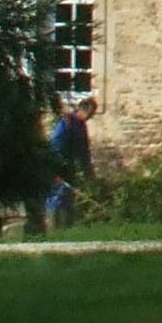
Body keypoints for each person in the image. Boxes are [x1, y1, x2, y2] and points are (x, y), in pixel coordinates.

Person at [46, 96, 98, 226]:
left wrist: (89, 173)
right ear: (85, 110)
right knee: (57, 196)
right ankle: (55, 228)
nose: (91, 116)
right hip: (59, 165)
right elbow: (55, 146)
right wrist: (54, 169)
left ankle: (66, 229)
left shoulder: (82, 126)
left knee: (68, 198)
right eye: (91, 113)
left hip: (70, 167)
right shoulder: (67, 122)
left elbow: (84, 151)